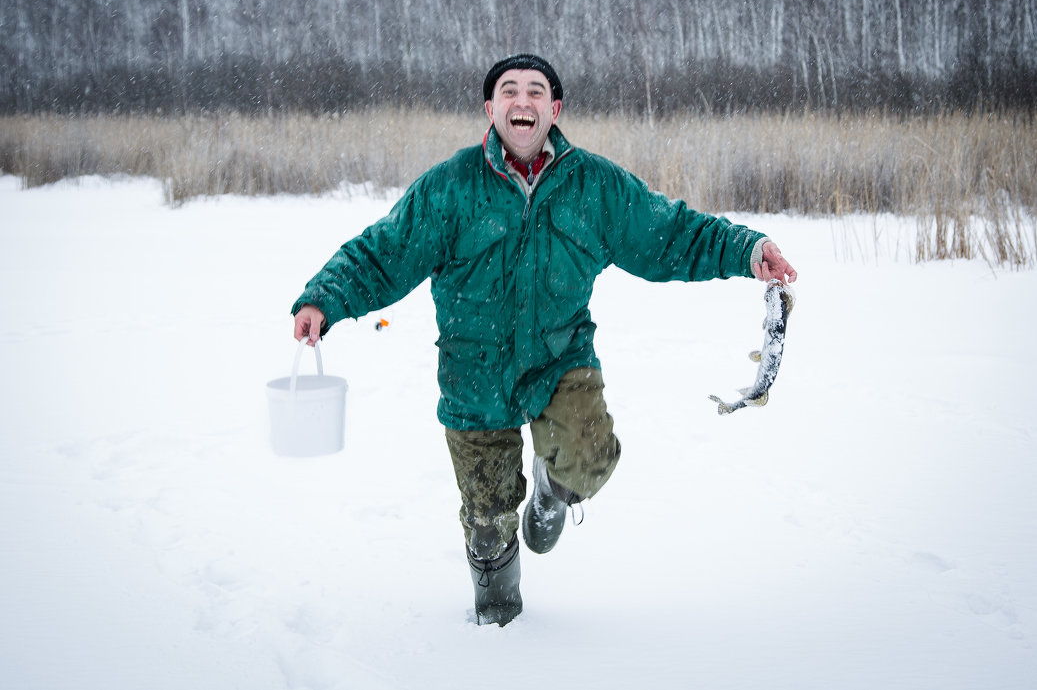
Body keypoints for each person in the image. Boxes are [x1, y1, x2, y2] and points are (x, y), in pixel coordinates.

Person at [292, 53, 797, 627]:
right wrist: (323, 298)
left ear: (553, 109)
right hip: (473, 375)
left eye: (536, 91)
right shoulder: (450, 189)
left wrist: (747, 249)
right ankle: (499, 627)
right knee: (487, 527)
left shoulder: (595, 187)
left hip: (561, 358)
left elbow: (670, 232)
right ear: (491, 109)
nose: (522, 101)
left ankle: (552, 491)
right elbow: (383, 252)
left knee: (589, 461)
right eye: (509, 91)